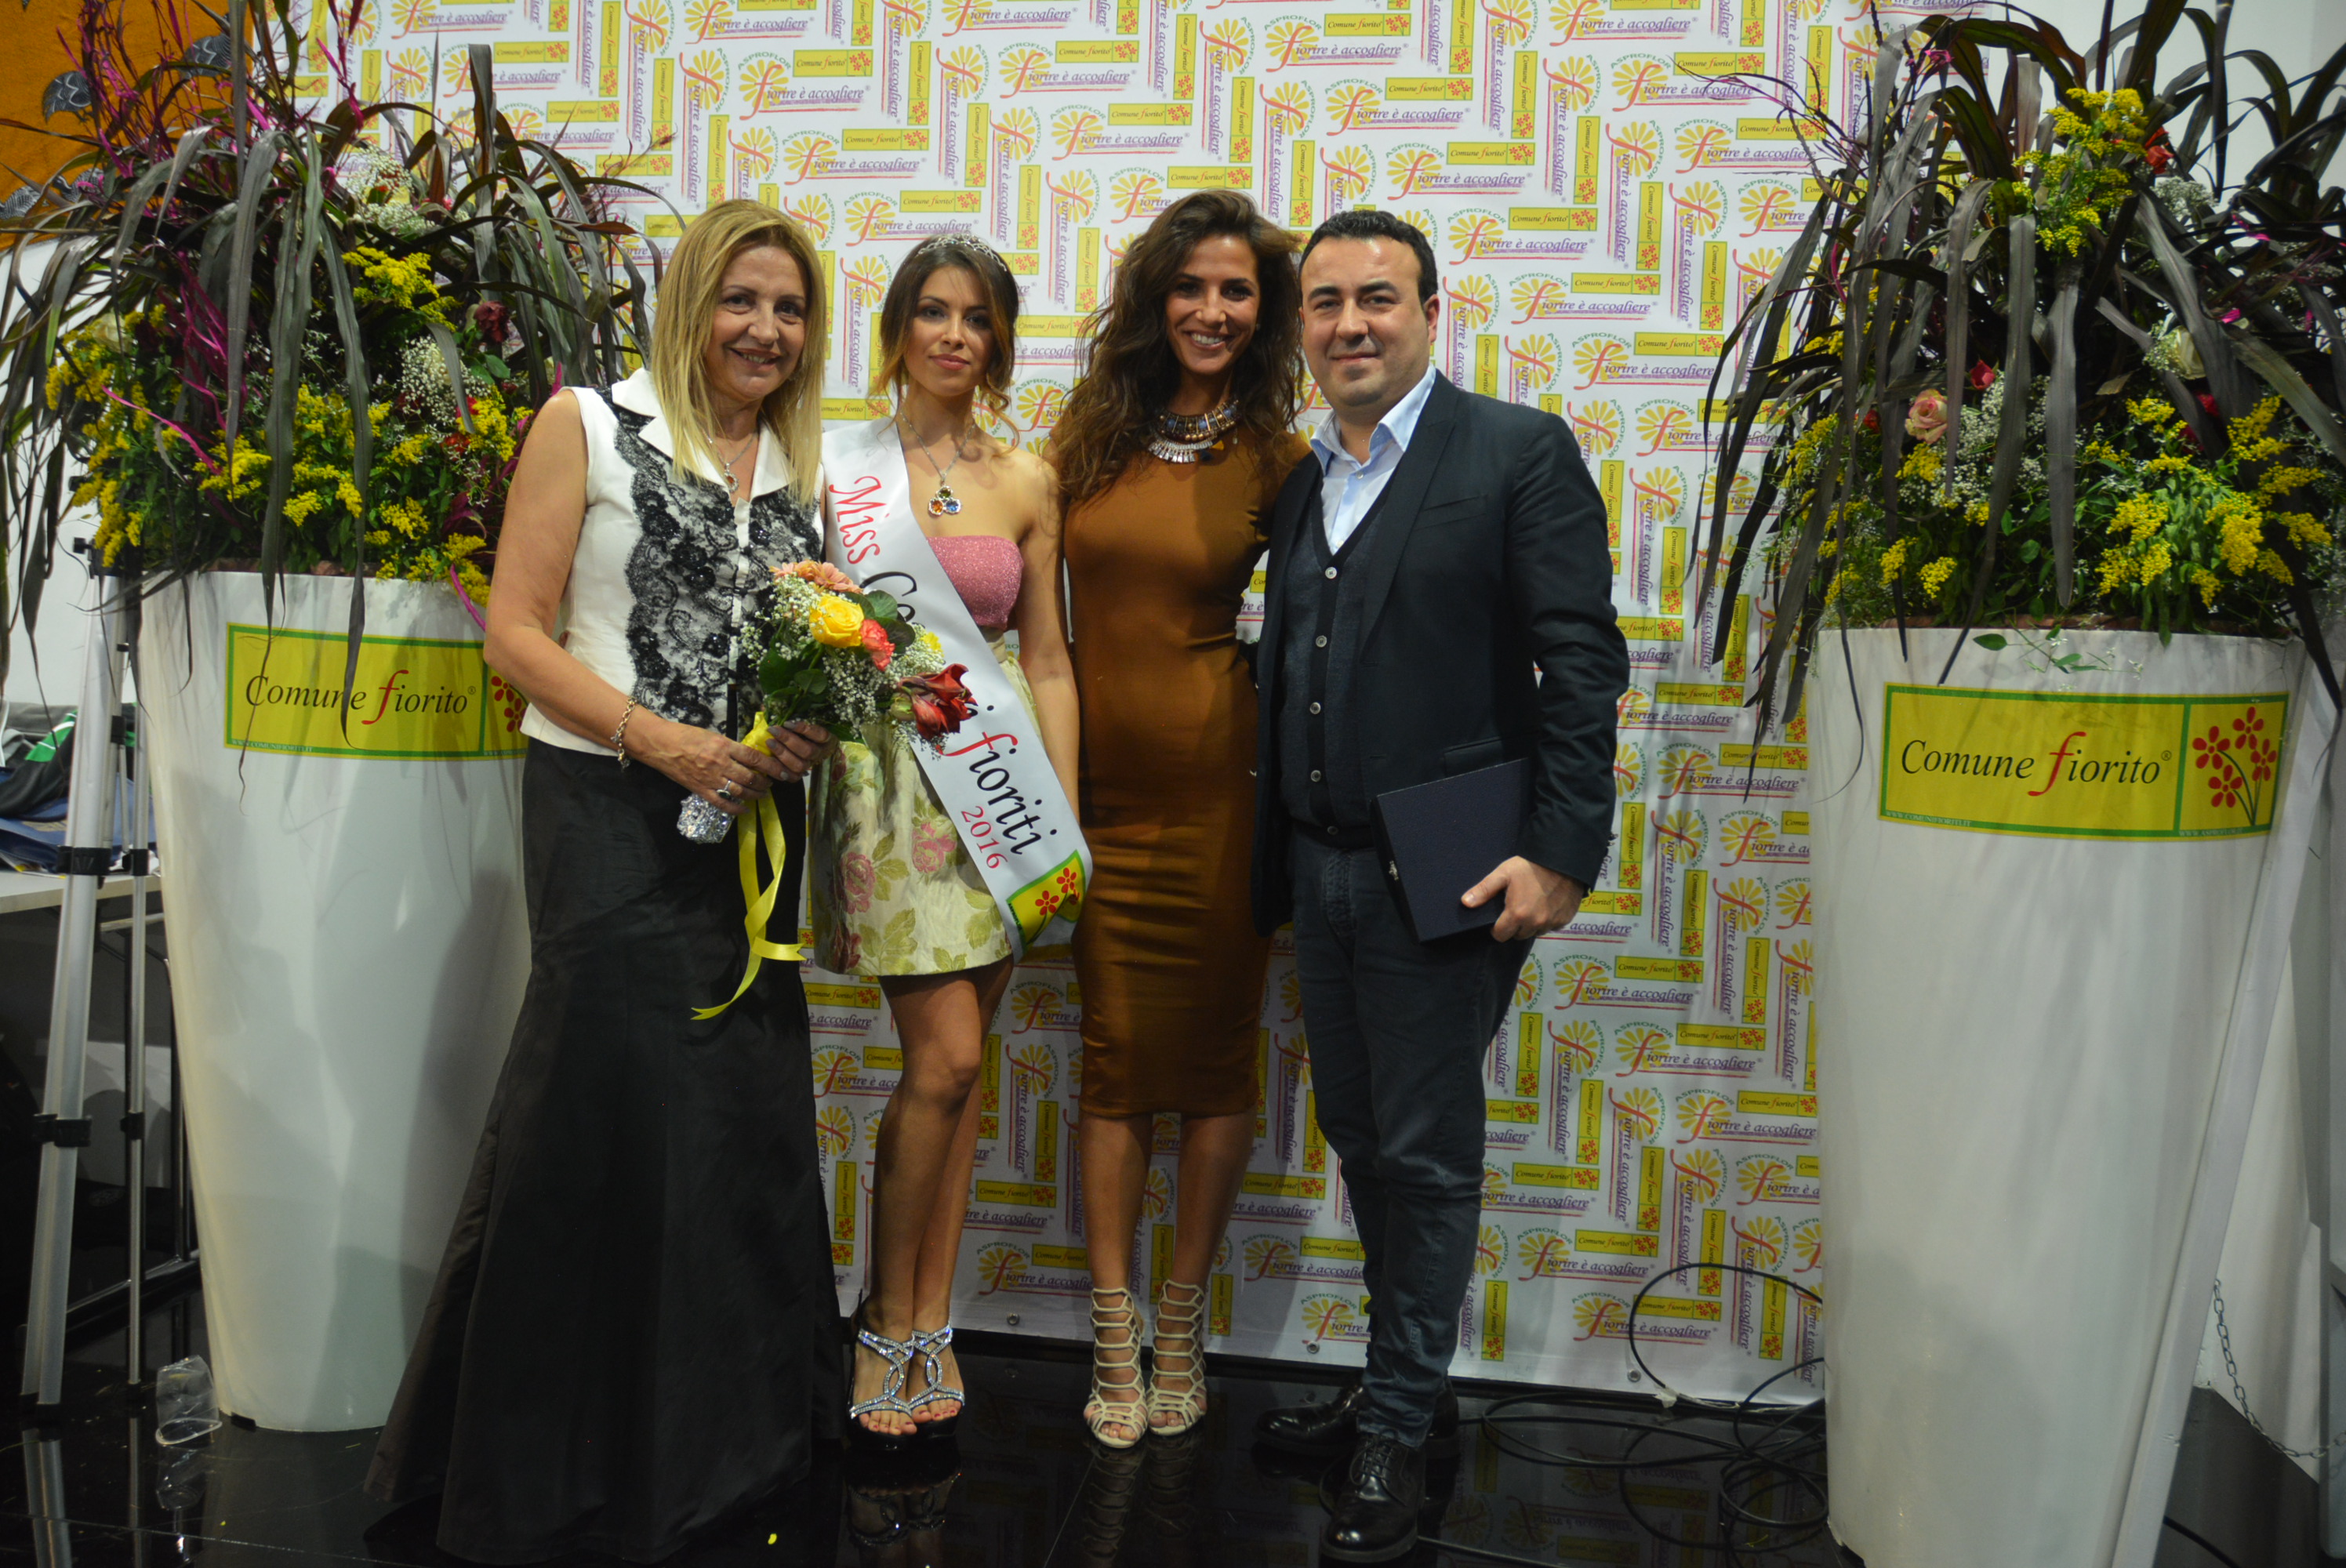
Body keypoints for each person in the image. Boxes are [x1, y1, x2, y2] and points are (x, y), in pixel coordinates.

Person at [366, 200, 840, 1563]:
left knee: (735, 1116)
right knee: (595, 1110)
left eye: (790, 309)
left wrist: (796, 730)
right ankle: (542, 1468)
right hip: (605, 807)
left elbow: (798, 652)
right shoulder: (586, 422)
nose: (765, 330)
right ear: (689, 303)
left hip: (745, 824)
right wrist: (658, 738)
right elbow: (514, 633)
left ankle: (721, 1452)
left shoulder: (800, 469)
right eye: (741, 299)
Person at [1246, 209, 1627, 1562]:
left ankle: (1398, 1429)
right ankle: (1401, 1387)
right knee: (1362, 1138)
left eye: (1379, 298)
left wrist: (1564, 851)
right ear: (1302, 325)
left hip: (1453, 875)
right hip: (1321, 866)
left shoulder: (1514, 451)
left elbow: (1582, 662)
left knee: (1425, 1153)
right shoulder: (1305, 481)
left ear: (1429, 311)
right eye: (1326, 302)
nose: (1350, 323)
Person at [809, 234, 1083, 1444]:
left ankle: (933, 1318)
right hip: (892, 792)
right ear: (898, 329)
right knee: (945, 1062)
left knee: (965, 1080)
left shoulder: (1028, 479)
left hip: (1002, 795)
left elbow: (1048, 661)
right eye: (934, 311)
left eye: (978, 317)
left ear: (1001, 340)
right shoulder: (837, 467)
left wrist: (1062, 820)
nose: (956, 336)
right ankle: (882, 1318)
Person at [1049, 190, 1309, 1448]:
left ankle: (1183, 1320)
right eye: (1191, 286)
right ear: (1157, 298)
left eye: (1236, 290)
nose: (1211, 309)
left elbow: (1318, 637)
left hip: (1219, 801)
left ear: (1264, 311)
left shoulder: (1282, 459)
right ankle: (1113, 1326)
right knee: (1111, 1065)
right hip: (1090, 795)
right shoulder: (1085, 439)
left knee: (1211, 1070)